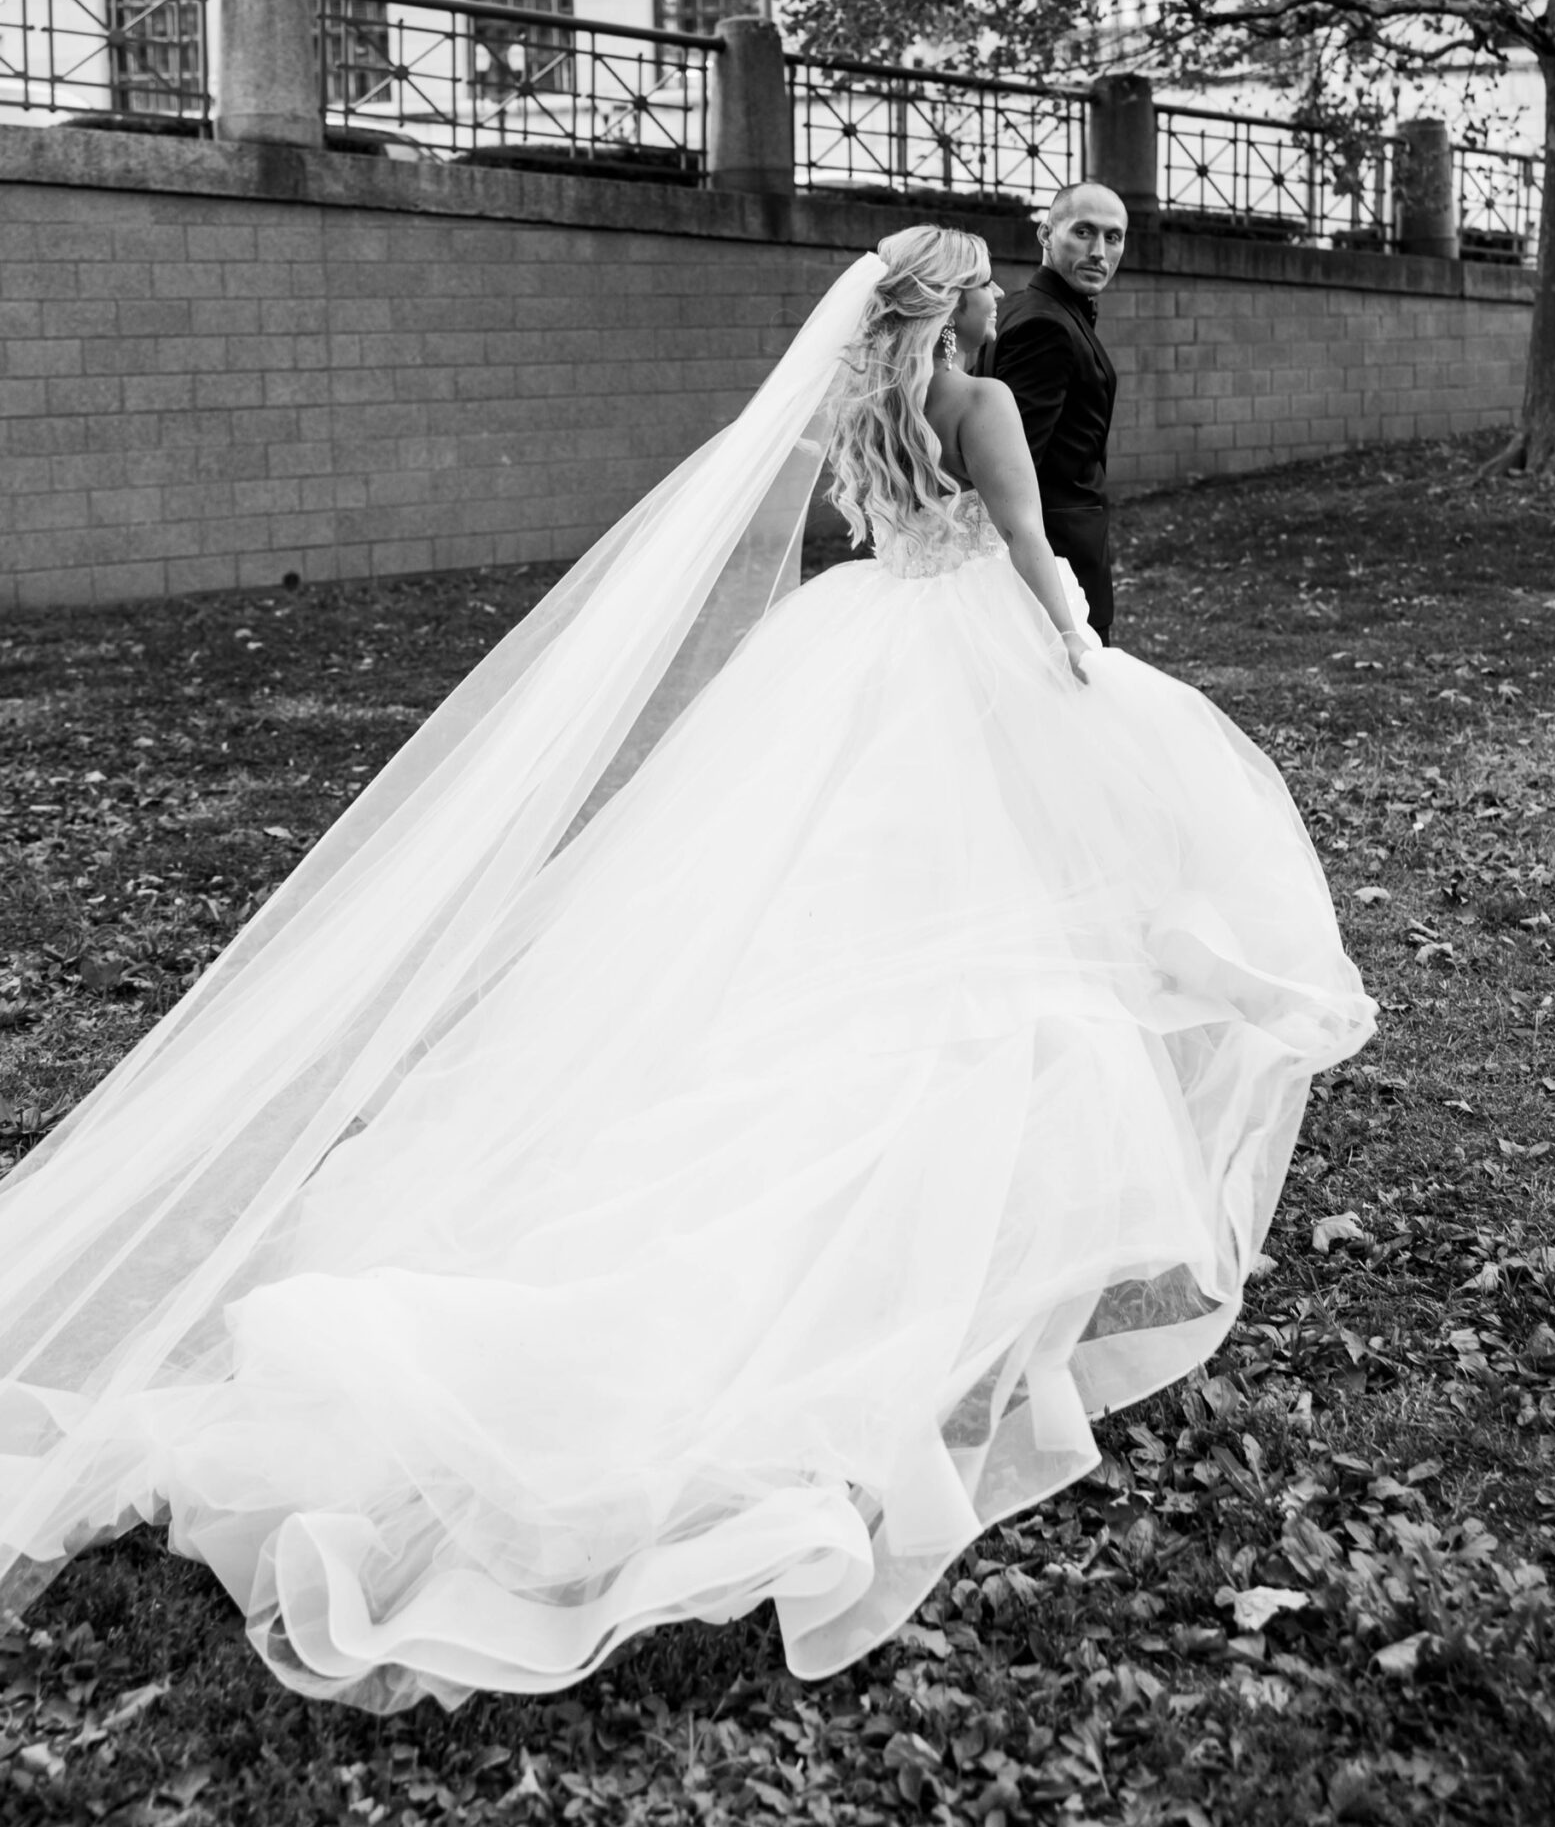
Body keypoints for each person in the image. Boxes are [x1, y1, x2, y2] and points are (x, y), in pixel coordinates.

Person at [0, 227, 1372, 1714]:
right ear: (954, 303)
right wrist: (1076, 644)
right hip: (965, 646)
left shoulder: (859, 398)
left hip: (861, 643)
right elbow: (1029, 543)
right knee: (984, 909)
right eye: (981, 276)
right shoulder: (979, 401)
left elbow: (881, 527)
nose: (997, 291)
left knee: (819, 896)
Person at [984, 182, 1128, 642]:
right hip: (1056, 565)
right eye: (1084, 232)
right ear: (1046, 234)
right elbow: (1014, 465)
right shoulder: (1045, 327)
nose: (1099, 252)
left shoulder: (1026, 308)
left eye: (1113, 237)